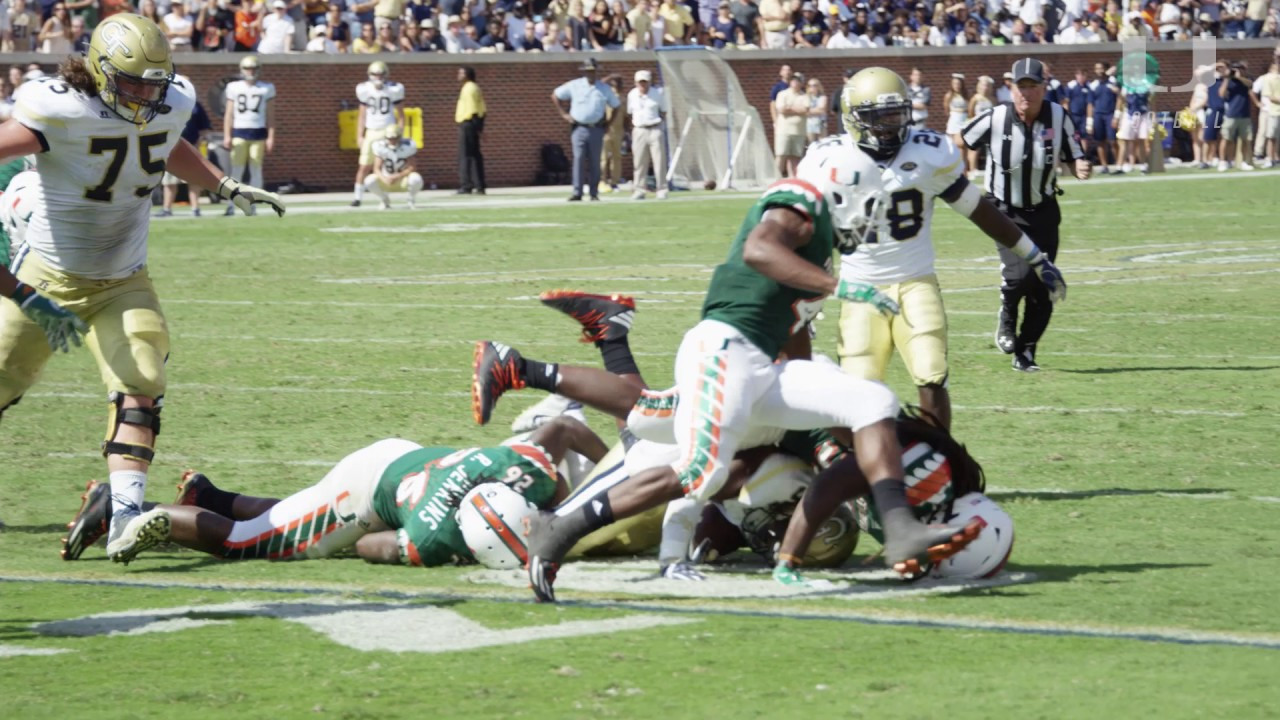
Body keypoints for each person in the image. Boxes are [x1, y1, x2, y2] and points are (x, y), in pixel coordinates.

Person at [476, 146, 983, 603]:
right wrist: (840, 287)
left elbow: (795, 341)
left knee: (872, 402)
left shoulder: (818, 244)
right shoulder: (798, 200)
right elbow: (758, 251)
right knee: (701, 470)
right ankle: (558, 530)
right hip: (723, 350)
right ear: (841, 189)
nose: (870, 219)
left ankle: (900, 528)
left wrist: (820, 402)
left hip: (762, 369)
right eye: (867, 203)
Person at [0, 14, 284, 563]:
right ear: (101, 72)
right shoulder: (58, 106)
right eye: (133, 83)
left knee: (142, 375)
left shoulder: (170, 100)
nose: (146, 94)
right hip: (46, 280)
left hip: (123, 278)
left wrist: (222, 183)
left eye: (155, 83)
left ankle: (127, 515)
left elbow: (163, 142)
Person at [835, 67, 1068, 430]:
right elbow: (807, 226)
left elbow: (978, 209)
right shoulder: (829, 160)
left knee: (931, 371)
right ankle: (866, 469)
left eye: (898, 114)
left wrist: (1034, 256)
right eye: (880, 117)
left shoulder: (927, 152)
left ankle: (940, 464)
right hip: (860, 286)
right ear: (854, 119)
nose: (893, 125)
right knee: (859, 383)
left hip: (915, 281)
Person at [62, 417, 605, 565]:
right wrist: (411, 547)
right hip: (365, 494)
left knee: (300, 515)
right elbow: (369, 545)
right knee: (250, 542)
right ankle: (130, 508)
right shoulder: (435, 536)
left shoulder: (519, 469)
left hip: (398, 456)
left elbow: (564, 426)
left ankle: (209, 495)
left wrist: (610, 465)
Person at [961, 58, 1088, 373]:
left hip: (1044, 210)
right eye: (1021, 87)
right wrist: (967, 167)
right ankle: (1007, 314)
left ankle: (1026, 351)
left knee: (1043, 284)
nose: (1026, 94)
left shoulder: (1058, 116)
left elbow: (1074, 152)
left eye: (1033, 87)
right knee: (1018, 276)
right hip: (1003, 210)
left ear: (1044, 88)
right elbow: (964, 139)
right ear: (1011, 88)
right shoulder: (996, 116)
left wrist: (1080, 167)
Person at [552, 57, 619, 203]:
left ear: (597, 72)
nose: (591, 73)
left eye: (593, 71)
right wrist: (564, 114)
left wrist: (608, 123)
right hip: (579, 128)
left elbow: (616, 105)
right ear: (584, 72)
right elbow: (556, 95)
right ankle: (577, 192)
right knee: (579, 159)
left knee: (595, 161)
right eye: (588, 71)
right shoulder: (574, 85)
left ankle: (594, 193)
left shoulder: (604, 88)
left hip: (596, 128)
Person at [221, 55, 277, 216]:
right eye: (247, 68)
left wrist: (271, 136)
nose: (250, 71)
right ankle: (232, 204)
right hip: (239, 130)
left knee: (256, 170)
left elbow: (271, 116)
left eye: (253, 68)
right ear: (242, 70)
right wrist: (227, 135)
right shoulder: (234, 87)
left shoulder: (266, 88)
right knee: (236, 171)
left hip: (258, 131)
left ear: (258, 70)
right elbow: (229, 114)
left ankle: (253, 204)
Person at [351, 60, 405, 206]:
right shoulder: (364, 89)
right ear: (370, 75)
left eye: (381, 74)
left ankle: (383, 197)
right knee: (364, 166)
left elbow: (401, 114)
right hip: (372, 130)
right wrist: (359, 135)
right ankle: (357, 197)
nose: (378, 77)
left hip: (388, 131)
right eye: (375, 74)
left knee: (383, 166)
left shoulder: (394, 89)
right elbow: (362, 115)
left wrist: (400, 132)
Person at [160, 86, 214, 217]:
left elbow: (205, 129)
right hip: (170, 148)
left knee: (193, 180)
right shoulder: (166, 104)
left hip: (192, 148)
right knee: (169, 181)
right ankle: (167, 209)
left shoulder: (196, 106)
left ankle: (195, 208)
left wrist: (199, 145)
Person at [628, 68, 668, 200]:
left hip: (655, 128)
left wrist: (659, 124)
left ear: (649, 82)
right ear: (635, 83)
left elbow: (663, 111)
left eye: (645, 82)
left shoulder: (657, 94)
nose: (642, 85)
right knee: (639, 162)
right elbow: (629, 113)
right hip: (639, 129)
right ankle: (639, 189)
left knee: (659, 161)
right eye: (640, 82)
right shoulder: (632, 95)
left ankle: (661, 188)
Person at [362, 125, 423, 210]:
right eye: (390, 138)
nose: (392, 141)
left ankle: (411, 199)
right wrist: (384, 178)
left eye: (394, 138)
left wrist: (398, 176)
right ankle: (384, 199)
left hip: (402, 179)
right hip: (386, 179)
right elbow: (376, 168)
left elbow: (412, 167)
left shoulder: (408, 146)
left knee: (416, 178)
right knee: (369, 180)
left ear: (399, 137)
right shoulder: (380, 146)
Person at [1216, 61, 1253, 172]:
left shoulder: (1247, 80)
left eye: (1240, 69)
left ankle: (1243, 162)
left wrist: (1239, 77)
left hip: (1245, 115)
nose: (1238, 71)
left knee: (1245, 139)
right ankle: (1223, 162)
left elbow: (1250, 85)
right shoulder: (1228, 81)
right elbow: (1221, 94)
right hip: (1231, 115)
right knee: (1226, 139)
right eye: (1236, 69)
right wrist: (1227, 78)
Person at [455, 66, 486, 195]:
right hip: (474, 123)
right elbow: (483, 109)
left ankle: (466, 185)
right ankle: (479, 185)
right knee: (475, 155)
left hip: (468, 122)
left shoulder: (468, 89)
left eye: (461, 73)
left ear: (467, 75)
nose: (458, 75)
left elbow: (473, 109)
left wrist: (474, 125)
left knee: (465, 155)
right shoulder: (474, 87)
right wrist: (479, 127)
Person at [772, 72, 808, 178]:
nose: (795, 83)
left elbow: (805, 109)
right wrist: (797, 108)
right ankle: (776, 178)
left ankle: (794, 178)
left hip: (799, 131)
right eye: (793, 80)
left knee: (795, 157)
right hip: (784, 131)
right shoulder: (782, 94)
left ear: (801, 83)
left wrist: (790, 108)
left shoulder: (804, 96)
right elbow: (782, 109)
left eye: (797, 81)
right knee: (781, 155)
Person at [1086, 61, 1118, 174]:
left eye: (1101, 68)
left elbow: (1120, 98)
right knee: (1100, 141)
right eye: (1097, 68)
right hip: (1098, 115)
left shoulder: (1113, 82)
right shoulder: (1093, 85)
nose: (1099, 71)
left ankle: (1118, 165)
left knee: (1113, 140)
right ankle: (1104, 166)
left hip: (1110, 114)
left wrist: (1117, 115)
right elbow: (1090, 104)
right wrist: (1089, 122)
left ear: (1105, 69)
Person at [599, 74, 626, 193]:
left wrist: (628, 131)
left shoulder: (624, 98)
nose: (618, 85)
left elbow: (626, 117)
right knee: (603, 158)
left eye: (619, 83)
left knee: (617, 158)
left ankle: (615, 182)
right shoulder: (607, 96)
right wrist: (610, 77)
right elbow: (599, 84)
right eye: (615, 83)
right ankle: (602, 181)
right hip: (606, 131)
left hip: (618, 131)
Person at [966, 75, 995, 176]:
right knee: (975, 148)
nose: (985, 87)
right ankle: (973, 169)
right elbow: (970, 112)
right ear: (979, 86)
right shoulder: (975, 98)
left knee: (991, 148)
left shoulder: (992, 99)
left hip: (990, 127)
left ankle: (990, 168)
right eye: (983, 85)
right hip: (977, 126)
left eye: (987, 85)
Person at [943, 73, 969, 173]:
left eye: (958, 83)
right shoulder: (949, 95)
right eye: (954, 83)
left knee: (962, 145)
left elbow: (969, 108)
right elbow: (946, 109)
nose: (957, 86)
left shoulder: (966, 95)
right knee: (952, 146)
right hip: (953, 120)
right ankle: (953, 168)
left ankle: (964, 169)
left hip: (964, 120)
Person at [804, 76, 827, 145]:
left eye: (814, 85)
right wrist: (817, 110)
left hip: (821, 124)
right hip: (810, 124)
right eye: (810, 85)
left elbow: (822, 110)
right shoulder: (805, 97)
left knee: (823, 144)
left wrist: (809, 110)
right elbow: (804, 111)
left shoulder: (823, 97)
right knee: (811, 145)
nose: (812, 87)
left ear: (818, 86)